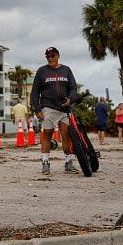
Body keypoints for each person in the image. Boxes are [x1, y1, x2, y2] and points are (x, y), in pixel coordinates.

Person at [30, 47, 79, 175]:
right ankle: (45, 162)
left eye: (52, 56)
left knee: (66, 135)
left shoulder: (66, 70)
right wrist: (37, 109)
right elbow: (35, 92)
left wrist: (71, 99)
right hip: (48, 107)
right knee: (47, 133)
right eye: (48, 56)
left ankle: (69, 162)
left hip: (64, 108)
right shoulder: (42, 71)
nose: (50, 58)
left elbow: (73, 88)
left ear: (58, 56)